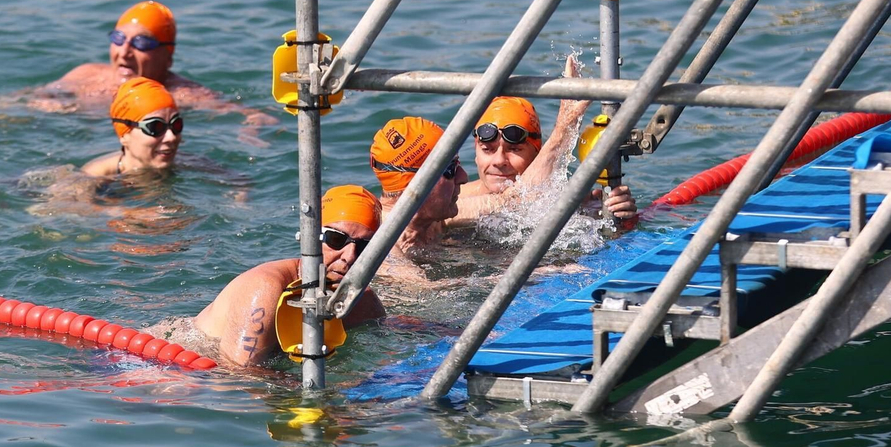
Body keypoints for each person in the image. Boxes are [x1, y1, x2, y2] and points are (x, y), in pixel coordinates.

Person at [194, 185, 386, 367]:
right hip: (186, 368)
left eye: (363, 247)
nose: (350, 256)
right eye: (336, 239)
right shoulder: (265, 289)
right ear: (311, 236)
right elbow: (236, 373)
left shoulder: (362, 300)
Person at [30, 0, 277, 133]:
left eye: (141, 43)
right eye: (118, 39)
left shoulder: (179, 93)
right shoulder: (86, 74)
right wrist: (42, 101)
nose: (125, 51)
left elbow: (246, 112)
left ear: (168, 56)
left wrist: (253, 122)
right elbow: (33, 96)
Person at [456, 93, 635, 226]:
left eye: (515, 149)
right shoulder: (449, 202)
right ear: (476, 152)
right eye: (487, 150)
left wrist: (621, 217)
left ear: (537, 154)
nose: (498, 160)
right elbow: (512, 202)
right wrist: (562, 133)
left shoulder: (574, 201)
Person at [369, 116, 470, 262]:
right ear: (416, 186)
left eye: (456, 162)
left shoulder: (434, 219)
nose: (463, 177)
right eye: (450, 168)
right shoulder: (383, 250)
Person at [80, 77, 184, 179]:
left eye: (176, 125)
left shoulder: (188, 163)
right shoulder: (94, 179)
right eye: (155, 127)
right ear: (124, 135)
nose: (171, 137)